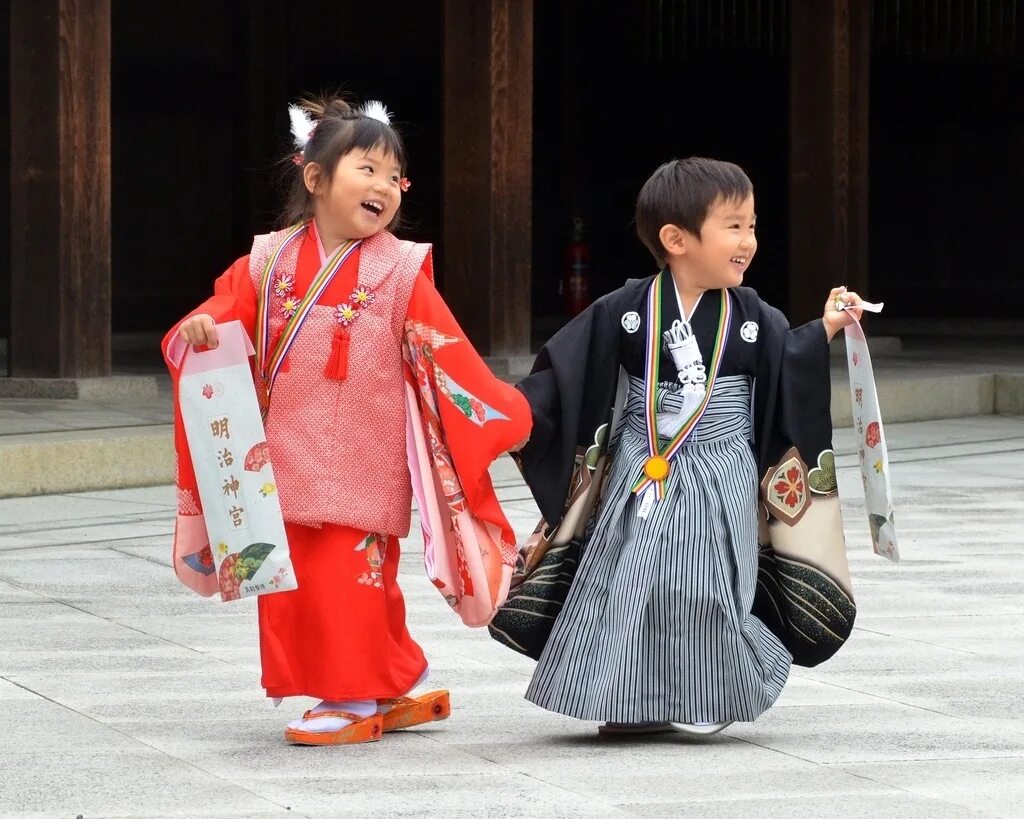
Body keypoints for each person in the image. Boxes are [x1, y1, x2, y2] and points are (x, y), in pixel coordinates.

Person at [162, 95, 531, 745]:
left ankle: (354, 693)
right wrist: (202, 329)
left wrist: (502, 409)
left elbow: (445, 352)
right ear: (316, 178)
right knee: (295, 579)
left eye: (395, 176)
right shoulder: (267, 260)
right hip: (283, 454)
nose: (385, 186)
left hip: (364, 456)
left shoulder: (400, 268)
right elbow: (225, 311)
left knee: (349, 578)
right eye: (368, 169)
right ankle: (382, 677)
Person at [511, 157, 862, 736]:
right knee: (628, 578)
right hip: (641, 467)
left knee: (704, 582)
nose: (748, 240)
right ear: (676, 239)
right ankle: (629, 702)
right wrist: (511, 413)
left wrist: (822, 328)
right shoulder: (626, 309)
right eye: (733, 226)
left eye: (752, 226)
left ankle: (708, 694)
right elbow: (564, 372)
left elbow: (786, 363)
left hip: (720, 466)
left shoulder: (752, 317)